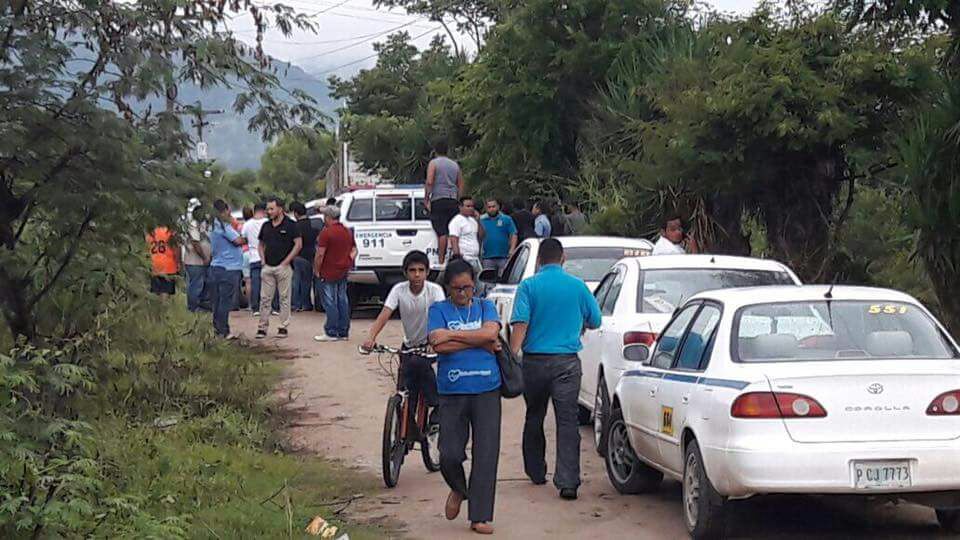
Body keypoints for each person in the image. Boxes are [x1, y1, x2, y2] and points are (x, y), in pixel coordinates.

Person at [509, 238, 602, 501]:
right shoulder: (578, 286)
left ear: (538, 260)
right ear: (563, 259)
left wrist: (512, 357)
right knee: (567, 420)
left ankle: (536, 471)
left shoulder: (528, 286)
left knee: (534, 415)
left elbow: (520, 323)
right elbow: (595, 320)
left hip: (534, 363)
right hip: (567, 363)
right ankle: (568, 482)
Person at [427, 259, 502, 535]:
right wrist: (478, 338)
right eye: (457, 288)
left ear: (475, 285)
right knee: (449, 453)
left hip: (487, 389)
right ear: (447, 287)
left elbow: (492, 333)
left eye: (468, 287)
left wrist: (454, 335)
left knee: (486, 454)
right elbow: (438, 343)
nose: (463, 293)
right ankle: (459, 488)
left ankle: (480, 516)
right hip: (451, 391)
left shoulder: (486, 306)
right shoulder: (438, 309)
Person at [363, 250, 446, 429]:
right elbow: (385, 314)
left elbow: (440, 316)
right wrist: (371, 338)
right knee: (405, 389)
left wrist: (435, 342)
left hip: (430, 347)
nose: (417, 275)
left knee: (427, 377)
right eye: (412, 270)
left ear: (428, 272)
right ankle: (404, 431)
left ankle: (437, 408)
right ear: (405, 272)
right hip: (408, 346)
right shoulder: (398, 290)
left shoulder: (435, 291)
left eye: (421, 270)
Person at [256, 197, 301, 339]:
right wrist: (263, 260)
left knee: (284, 298)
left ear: (280, 209)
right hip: (268, 267)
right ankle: (262, 327)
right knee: (264, 298)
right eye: (267, 209)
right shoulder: (266, 226)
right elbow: (260, 244)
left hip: (284, 268)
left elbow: (298, 244)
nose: (269, 212)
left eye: (271, 209)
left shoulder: (291, 225)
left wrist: (286, 261)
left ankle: (283, 326)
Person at [313, 206, 357, 342]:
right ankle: (343, 331)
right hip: (343, 270)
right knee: (342, 299)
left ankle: (331, 331)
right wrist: (348, 260)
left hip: (328, 270)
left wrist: (317, 269)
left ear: (327, 217)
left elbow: (320, 254)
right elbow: (355, 249)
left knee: (330, 301)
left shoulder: (326, 233)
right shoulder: (347, 231)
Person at [208, 199, 245, 338]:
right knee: (225, 301)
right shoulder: (224, 226)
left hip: (216, 266)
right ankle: (223, 330)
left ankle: (218, 329)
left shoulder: (212, 226)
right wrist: (246, 238)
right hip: (229, 267)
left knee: (217, 301)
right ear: (225, 210)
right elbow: (237, 241)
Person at [424, 138, 464, 265]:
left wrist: (426, 199)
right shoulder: (455, 165)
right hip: (452, 199)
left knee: (442, 232)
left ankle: (441, 261)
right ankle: (455, 260)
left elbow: (430, 181)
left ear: (435, 151)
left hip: (438, 199)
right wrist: (458, 200)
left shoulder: (434, 163)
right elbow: (460, 184)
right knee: (453, 230)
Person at [183, 198, 212, 312]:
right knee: (196, 285)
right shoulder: (193, 225)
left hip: (202, 261)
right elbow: (195, 243)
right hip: (195, 261)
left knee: (203, 283)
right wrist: (204, 257)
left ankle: (202, 305)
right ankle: (193, 307)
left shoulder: (202, 224)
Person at [241, 203, 270, 315]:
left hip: (253, 256)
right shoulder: (267, 223)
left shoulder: (247, 224)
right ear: (264, 211)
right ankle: (269, 306)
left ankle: (255, 308)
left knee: (255, 283)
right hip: (267, 257)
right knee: (268, 283)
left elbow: (243, 239)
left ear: (254, 210)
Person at [291, 201, 319, 312]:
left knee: (296, 280)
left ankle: (296, 304)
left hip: (298, 255)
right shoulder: (314, 224)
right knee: (307, 281)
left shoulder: (295, 226)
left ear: (296, 213)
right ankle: (306, 304)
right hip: (310, 255)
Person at [479, 198, 517, 277]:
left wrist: (512, 249)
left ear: (498, 207)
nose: (492, 209)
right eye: (489, 207)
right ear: (486, 208)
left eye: (493, 206)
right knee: (488, 281)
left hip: (504, 256)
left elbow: (513, 234)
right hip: (487, 257)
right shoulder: (481, 220)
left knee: (503, 279)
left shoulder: (506, 219)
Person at [448, 196, 484, 275]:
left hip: (475, 258)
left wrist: (478, 221)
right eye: (468, 206)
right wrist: (457, 257)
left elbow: (481, 235)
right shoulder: (456, 221)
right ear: (460, 207)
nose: (471, 208)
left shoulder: (473, 220)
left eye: (472, 206)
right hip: (464, 258)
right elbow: (454, 239)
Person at [146, 226, 179, 299]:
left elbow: (146, 248)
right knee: (165, 290)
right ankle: (165, 307)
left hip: (154, 264)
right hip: (168, 265)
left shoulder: (150, 233)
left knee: (156, 290)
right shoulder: (169, 232)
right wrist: (178, 263)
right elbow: (176, 249)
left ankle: (157, 308)